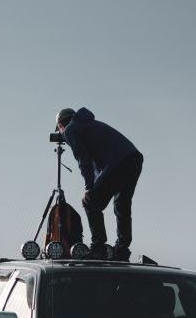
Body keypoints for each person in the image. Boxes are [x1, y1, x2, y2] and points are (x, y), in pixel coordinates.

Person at [56, 107, 143, 261]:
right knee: (122, 204)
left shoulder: (70, 130)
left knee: (91, 203)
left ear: (61, 125)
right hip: (133, 158)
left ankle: (98, 248)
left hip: (118, 162)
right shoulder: (90, 124)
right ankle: (122, 250)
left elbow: (83, 159)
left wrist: (89, 188)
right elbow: (98, 165)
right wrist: (94, 185)